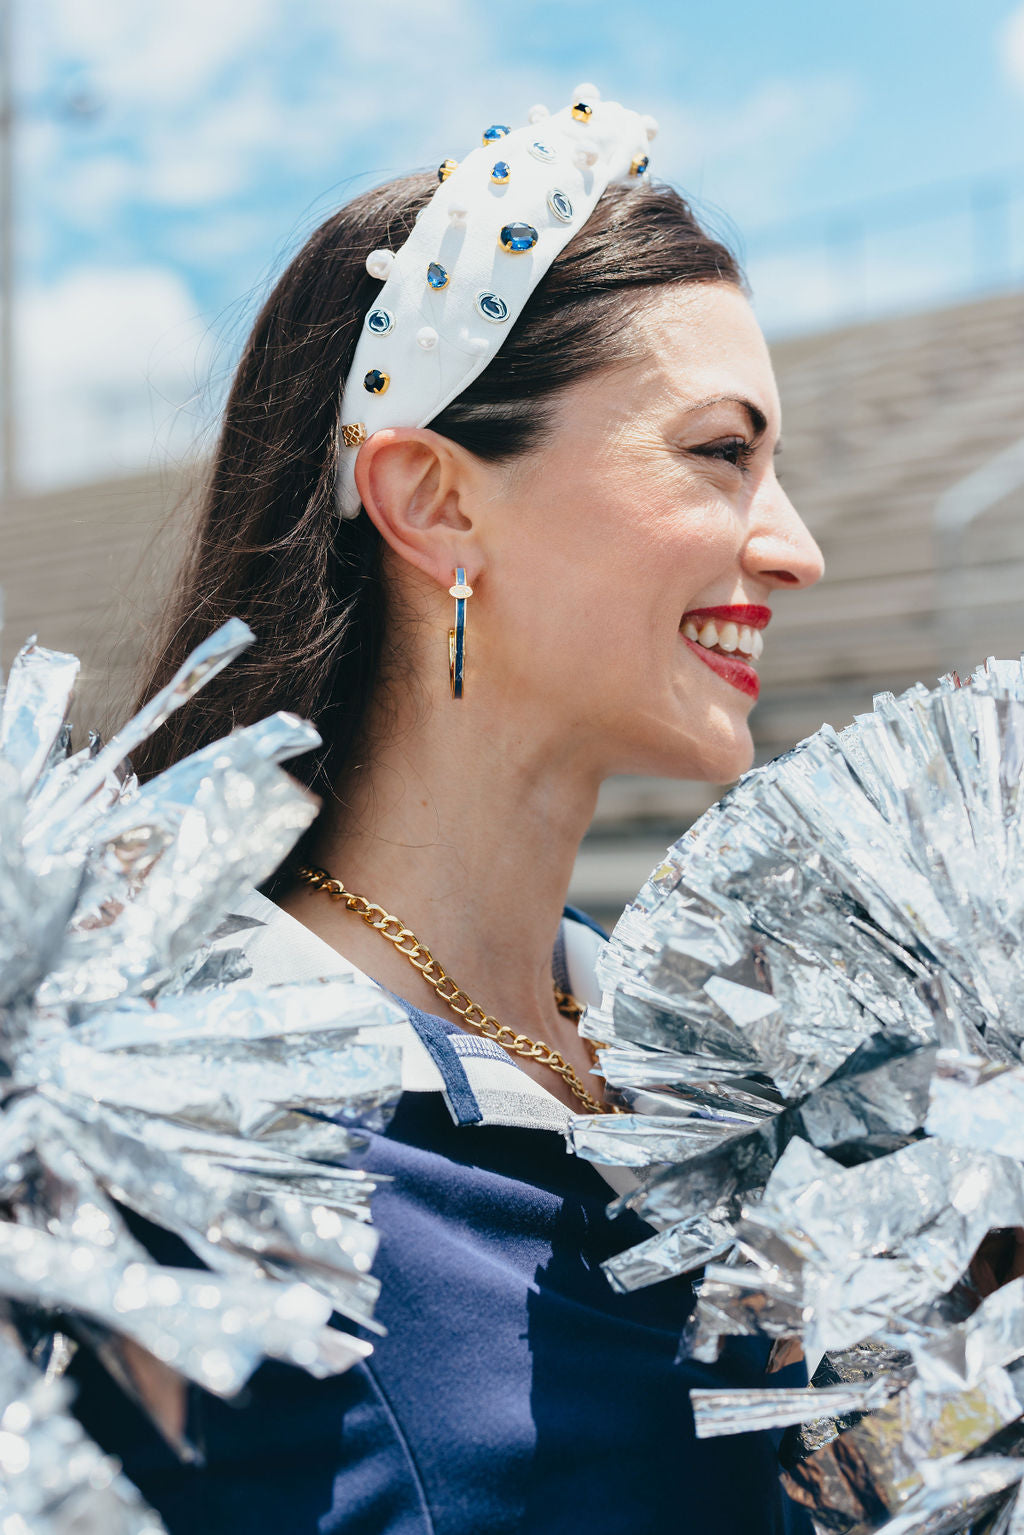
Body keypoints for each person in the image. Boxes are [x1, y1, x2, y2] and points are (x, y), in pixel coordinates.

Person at [73, 89, 824, 1532]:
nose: (795, 549)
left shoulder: (736, 1094)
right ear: (434, 503)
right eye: (722, 453)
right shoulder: (195, 1148)